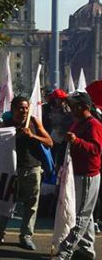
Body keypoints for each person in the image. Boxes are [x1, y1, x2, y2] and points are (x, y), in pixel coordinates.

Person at [0, 95, 53, 250]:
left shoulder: (34, 122)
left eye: (26, 108)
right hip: (11, 169)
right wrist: (17, 135)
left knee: (31, 205)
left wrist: (32, 135)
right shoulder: (7, 125)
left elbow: (49, 142)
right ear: (13, 109)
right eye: (20, 108)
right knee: (5, 203)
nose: (24, 111)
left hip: (32, 168)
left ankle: (26, 236)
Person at [52, 91, 102, 260]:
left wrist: (76, 141)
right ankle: (87, 249)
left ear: (85, 107)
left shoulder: (94, 125)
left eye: (75, 105)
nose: (71, 109)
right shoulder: (78, 123)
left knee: (80, 215)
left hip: (87, 174)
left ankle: (66, 252)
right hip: (76, 173)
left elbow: (96, 149)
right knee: (84, 214)